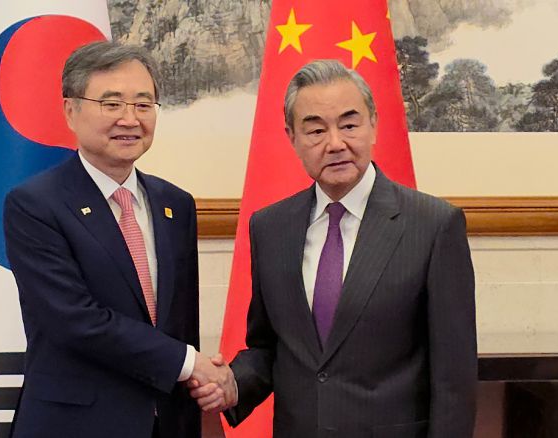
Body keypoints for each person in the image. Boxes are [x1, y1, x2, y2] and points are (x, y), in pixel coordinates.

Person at [191, 59, 477, 437]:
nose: (336, 143)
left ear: (373, 124)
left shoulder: (433, 226)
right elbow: (269, 347)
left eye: (349, 125)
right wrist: (233, 382)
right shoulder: (271, 227)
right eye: (315, 130)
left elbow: (454, 378)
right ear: (292, 137)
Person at [3, 41, 228, 438]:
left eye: (143, 104)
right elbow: (75, 320)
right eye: (112, 104)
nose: (130, 119)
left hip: (167, 422)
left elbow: (179, 324)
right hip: (75, 425)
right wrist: (189, 362)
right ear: (70, 111)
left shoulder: (175, 204)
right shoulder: (35, 205)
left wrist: (199, 381)